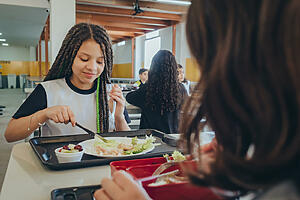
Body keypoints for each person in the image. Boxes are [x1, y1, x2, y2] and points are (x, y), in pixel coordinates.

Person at [94, 0, 300, 199]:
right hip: (173, 143)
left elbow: (131, 96)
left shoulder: (146, 92)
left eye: (211, 64)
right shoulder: (181, 91)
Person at [4, 23, 130, 142]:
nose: (92, 67)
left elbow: (128, 143)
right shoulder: (48, 90)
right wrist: (43, 114)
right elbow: (10, 135)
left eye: (99, 62)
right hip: (62, 163)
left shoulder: (110, 92)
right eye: (84, 59)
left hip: (103, 164)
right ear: (70, 57)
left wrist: (119, 117)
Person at [126, 50, 187, 134]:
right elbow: (185, 105)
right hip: (172, 137)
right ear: (174, 68)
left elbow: (129, 97)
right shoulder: (181, 89)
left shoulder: (147, 89)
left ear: (153, 69)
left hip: (149, 139)